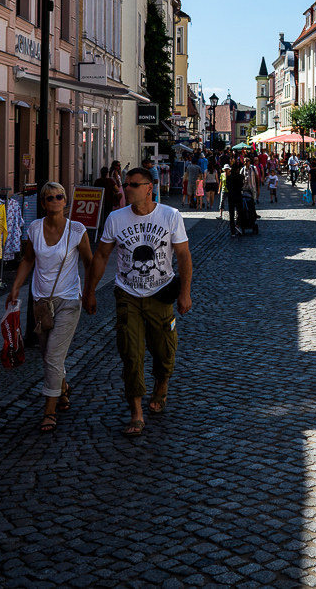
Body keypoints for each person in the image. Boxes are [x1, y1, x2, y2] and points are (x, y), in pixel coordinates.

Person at [89, 166, 192, 437]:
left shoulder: (170, 216)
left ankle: (161, 383)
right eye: (126, 184)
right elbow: (100, 256)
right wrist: (90, 291)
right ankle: (136, 412)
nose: (127, 188)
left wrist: (185, 292)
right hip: (127, 294)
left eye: (134, 184)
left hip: (160, 294)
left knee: (164, 350)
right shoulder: (116, 218)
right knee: (130, 354)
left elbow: (183, 256)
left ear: (149, 187)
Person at [8, 182, 92, 431]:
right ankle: (63, 388)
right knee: (48, 354)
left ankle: (49, 411)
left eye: (59, 196)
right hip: (41, 302)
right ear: (43, 203)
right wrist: (15, 287)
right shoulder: (34, 228)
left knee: (54, 355)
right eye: (49, 198)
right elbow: (28, 259)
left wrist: (89, 294)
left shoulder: (77, 230)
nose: (55, 200)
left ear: (65, 201)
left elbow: (90, 263)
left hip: (68, 300)